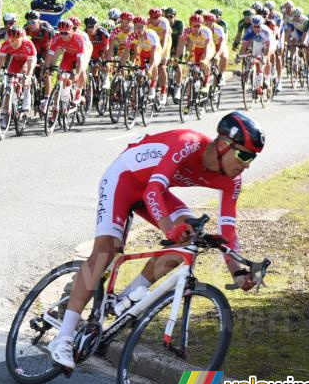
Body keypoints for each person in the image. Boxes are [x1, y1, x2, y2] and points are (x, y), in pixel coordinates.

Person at [47, 111, 266, 370]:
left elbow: (228, 229)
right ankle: (63, 338)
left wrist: (238, 273)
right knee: (107, 249)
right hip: (125, 179)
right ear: (222, 145)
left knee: (190, 238)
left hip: (155, 191)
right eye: (244, 155)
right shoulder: (187, 143)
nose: (247, 163)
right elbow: (153, 189)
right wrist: (167, 227)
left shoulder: (233, 181)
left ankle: (125, 299)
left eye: (252, 158)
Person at [0, 25, 37, 116]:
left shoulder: (28, 45)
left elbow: (30, 66)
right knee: (9, 80)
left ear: (22, 38)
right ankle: (6, 111)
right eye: (11, 40)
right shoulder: (6, 44)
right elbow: (0, 60)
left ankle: (26, 99)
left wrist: (28, 77)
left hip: (27, 60)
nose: (13, 43)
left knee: (25, 73)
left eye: (16, 40)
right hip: (16, 60)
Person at [120, 15, 163, 101]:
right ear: (134, 27)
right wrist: (121, 66)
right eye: (136, 27)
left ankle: (152, 88)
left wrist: (150, 70)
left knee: (153, 66)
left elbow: (153, 56)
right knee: (139, 75)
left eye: (141, 27)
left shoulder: (151, 36)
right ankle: (140, 94)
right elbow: (126, 53)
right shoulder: (131, 37)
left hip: (155, 51)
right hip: (143, 51)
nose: (138, 29)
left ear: (145, 27)